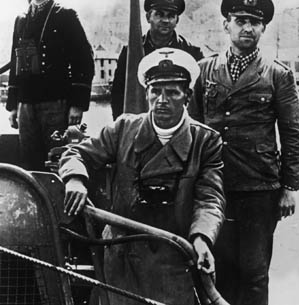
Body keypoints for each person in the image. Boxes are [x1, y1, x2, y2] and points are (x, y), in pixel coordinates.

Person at [59, 48, 225, 305]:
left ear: (188, 97)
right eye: (155, 91)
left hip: (174, 257)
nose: (162, 100)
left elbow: (210, 199)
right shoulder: (124, 128)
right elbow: (76, 153)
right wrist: (75, 179)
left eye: (172, 92)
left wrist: (201, 238)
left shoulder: (206, 141)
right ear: (147, 94)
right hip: (123, 256)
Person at [188, 0, 299, 305]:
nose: (247, 28)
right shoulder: (204, 70)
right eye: (240, 20)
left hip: (259, 187)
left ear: (263, 27)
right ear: (226, 24)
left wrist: (290, 187)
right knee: (215, 269)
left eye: (254, 22)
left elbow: (292, 133)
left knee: (253, 272)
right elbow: (194, 128)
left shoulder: (278, 75)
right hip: (215, 187)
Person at [6, 0, 94, 171]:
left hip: (56, 104)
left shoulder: (65, 16)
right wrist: (13, 106)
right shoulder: (21, 20)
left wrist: (77, 104)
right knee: (30, 163)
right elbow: (16, 62)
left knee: (58, 161)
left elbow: (84, 60)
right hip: (26, 106)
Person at [111, 0, 204, 120]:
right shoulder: (131, 53)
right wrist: (122, 129)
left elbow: (198, 98)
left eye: (171, 16)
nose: (166, 20)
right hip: (142, 123)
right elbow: (118, 95)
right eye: (159, 14)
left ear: (177, 20)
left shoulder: (192, 52)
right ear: (148, 17)